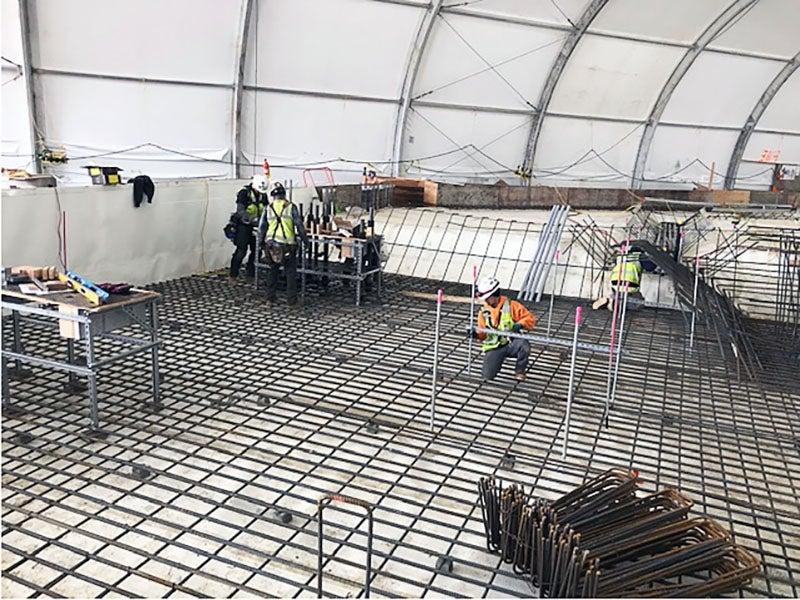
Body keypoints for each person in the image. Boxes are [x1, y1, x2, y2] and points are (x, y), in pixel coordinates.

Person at [472, 276, 537, 381]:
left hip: (511, 343)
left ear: (496, 294)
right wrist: (476, 335)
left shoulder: (512, 306)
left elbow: (530, 318)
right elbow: (483, 334)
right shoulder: (483, 312)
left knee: (524, 345)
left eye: (488, 298)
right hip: (495, 347)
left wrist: (520, 324)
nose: (486, 301)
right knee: (487, 376)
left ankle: (520, 371)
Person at [261, 182, 307, 305]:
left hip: (271, 245)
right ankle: (291, 300)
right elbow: (299, 226)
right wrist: (305, 241)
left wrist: (261, 243)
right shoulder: (291, 207)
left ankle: (270, 299)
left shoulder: (268, 208)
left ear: (273, 196)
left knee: (273, 271)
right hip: (287, 246)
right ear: (284, 194)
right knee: (290, 273)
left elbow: (262, 227)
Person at [229, 175, 269, 279]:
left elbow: (267, 209)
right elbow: (240, 210)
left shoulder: (263, 195)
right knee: (241, 251)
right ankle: (233, 275)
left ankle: (251, 273)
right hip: (244, 226)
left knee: (257, 251)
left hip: (258, 227)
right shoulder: (244, 193)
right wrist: (250, 219)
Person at [593, 244, 644, 310]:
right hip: (630, 286)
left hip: (615, 283)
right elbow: (650, 267)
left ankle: (610, 301)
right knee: (638, 304)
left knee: (619, 295)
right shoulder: (639, 256)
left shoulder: (619, 256)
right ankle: (615, 305)